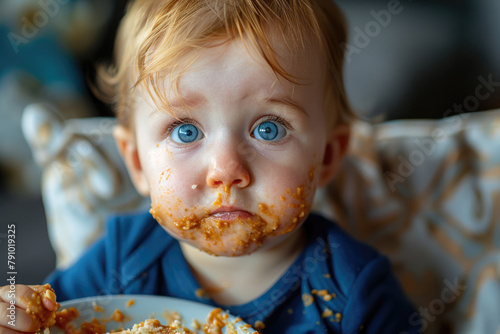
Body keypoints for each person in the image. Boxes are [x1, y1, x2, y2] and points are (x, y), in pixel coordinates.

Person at [0, 0, 421, 333]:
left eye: (270, 129)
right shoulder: (120, 261)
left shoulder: (355, 291)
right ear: (137, 163)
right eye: (185, 132)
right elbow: (46, 323)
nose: (226, 170)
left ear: (326, 157)